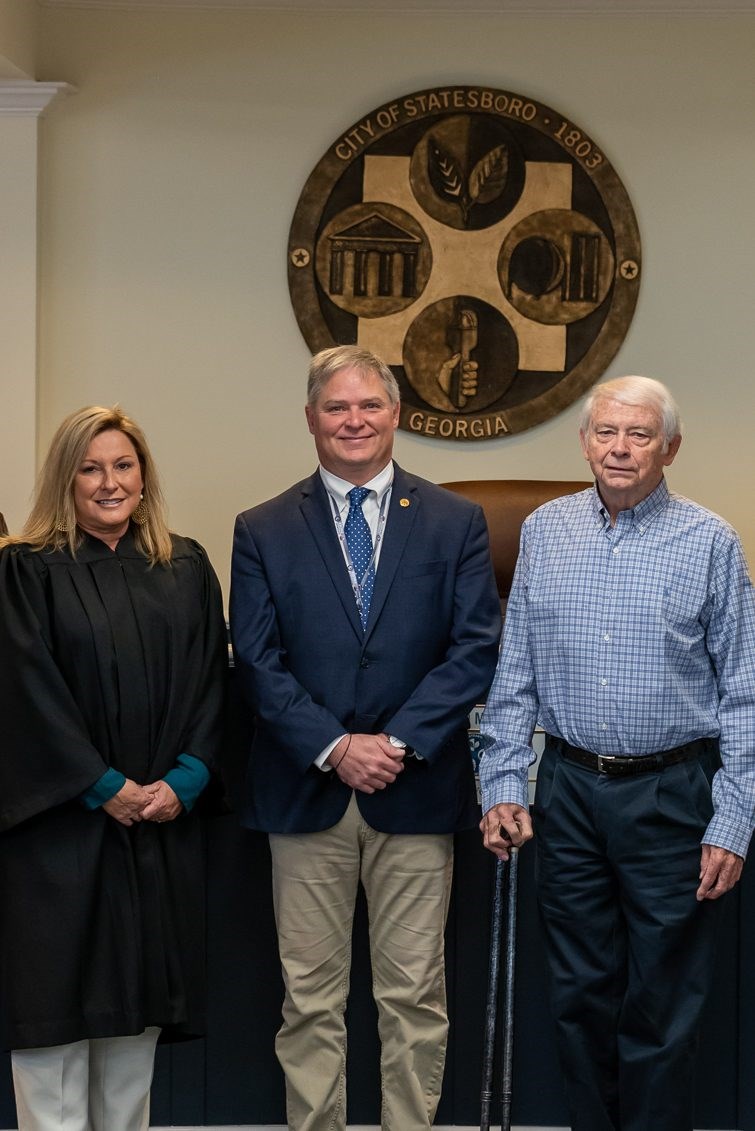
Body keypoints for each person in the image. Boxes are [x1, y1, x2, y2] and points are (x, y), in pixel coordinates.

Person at [230, 344, 501, 1131]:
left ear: (396, 415)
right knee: (309, 1000)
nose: (354, 421)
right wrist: (335, 745)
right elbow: (256, 656)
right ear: (311, 419)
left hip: (413, 791)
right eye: (337, 407)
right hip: (304, 789)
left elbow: (474, 646)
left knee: (413, 996)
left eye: (369, 406)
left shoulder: (454, 521)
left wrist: (397, 742)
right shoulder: (263, 527)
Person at [479, 375, 755, 1131]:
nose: (619, 448)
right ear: (583, 440)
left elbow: (744, 693)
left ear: (669, 447)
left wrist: (732, 820)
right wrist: (501, 779)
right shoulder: (543, 530)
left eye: (638, 435)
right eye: (605, 432)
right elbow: (516, 675)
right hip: (565, 790)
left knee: (661, 1006)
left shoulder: (708, 541)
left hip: (670, 794)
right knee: (576, 996)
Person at [0, 405, 227, 1131]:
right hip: (58, 838)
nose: (109, 482)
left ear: (143, 474)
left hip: (155, 831)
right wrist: (103, 786)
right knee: (54, 1030)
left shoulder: (184, 566)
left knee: (133, 1037)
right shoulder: (25, 569)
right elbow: (22, 693)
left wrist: (185, 779)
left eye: (123, 465)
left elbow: (211, 684)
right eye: (90, 468)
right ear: (65, 480)